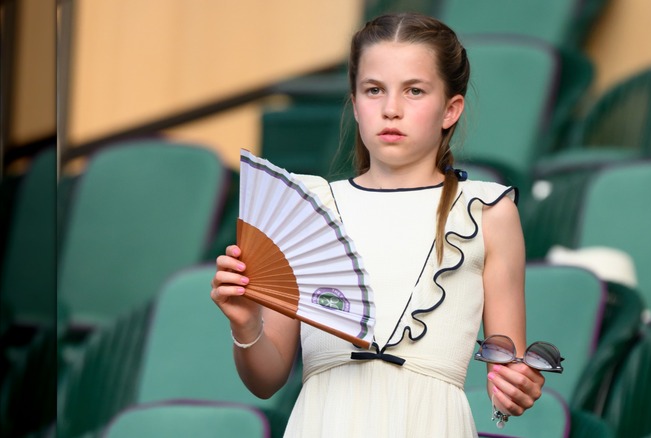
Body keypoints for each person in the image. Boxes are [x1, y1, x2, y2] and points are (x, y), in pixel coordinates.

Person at [211, 12, 544, 437]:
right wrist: (245, 324)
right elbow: (266, 378)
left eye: (415, 91)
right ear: (353, 103)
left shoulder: (488, 211)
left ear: (451, 108)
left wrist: (516, 388)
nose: (391, 109)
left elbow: (509, 374)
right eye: (374, 90)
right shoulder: (307, 206)